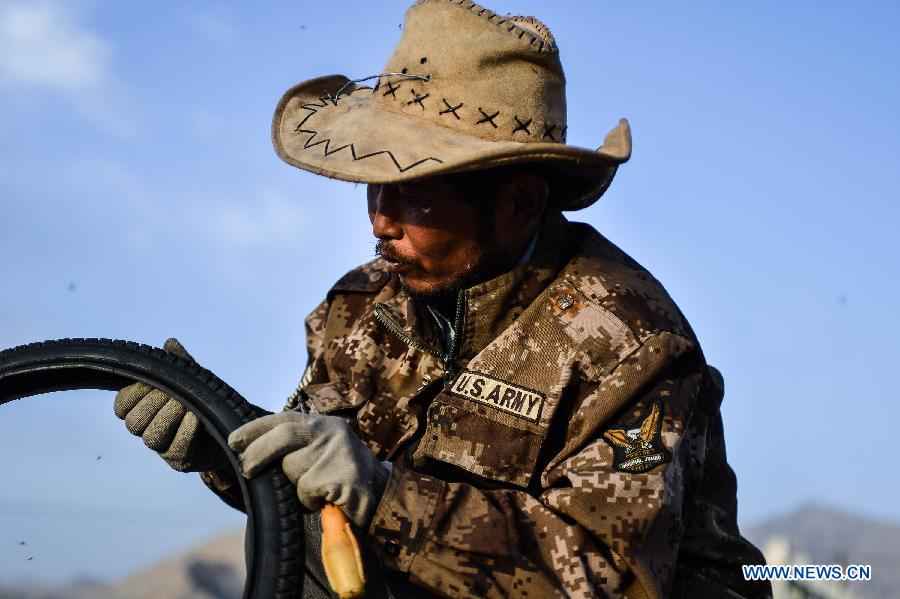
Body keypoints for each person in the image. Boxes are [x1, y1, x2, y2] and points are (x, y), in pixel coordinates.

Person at [114, 2, 771, 597]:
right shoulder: (360, 308)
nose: (380, 219)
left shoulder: (633, 346)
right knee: (303, 544)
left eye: (416, 190)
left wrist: (383, 495)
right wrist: (225, 442)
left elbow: (607, 574)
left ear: (518, 204)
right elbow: (317, 485)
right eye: (375, 183)